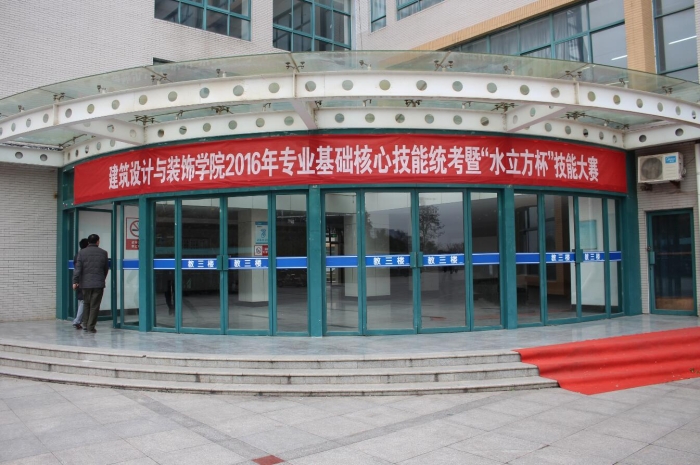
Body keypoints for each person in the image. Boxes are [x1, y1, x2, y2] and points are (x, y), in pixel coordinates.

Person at [72, 234, 109, 333]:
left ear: (88, 242)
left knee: (86, 304)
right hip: (98, 283)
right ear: (97, 241)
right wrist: (102, 278)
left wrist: (75, 281)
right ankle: (91, 326)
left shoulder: (81, 253)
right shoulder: (103, 253)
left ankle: (85, 324)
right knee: (94, 306)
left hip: (85, 284)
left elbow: (78, 269)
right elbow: (105, 269)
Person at [71, 238, 89, 329]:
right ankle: (77, 321)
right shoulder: (82, 255)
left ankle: (80, 320)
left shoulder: (77, 255)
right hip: (83, 281)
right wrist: (76, 281)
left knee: (81, 302)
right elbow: (78, 270)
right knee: (83, 302)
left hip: (80, 281)